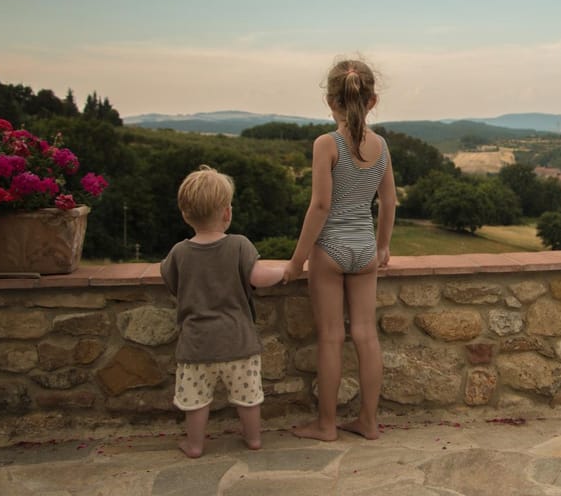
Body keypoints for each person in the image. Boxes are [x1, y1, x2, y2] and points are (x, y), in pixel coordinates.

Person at [283, 58, 396, 441]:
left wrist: (297, 260)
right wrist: (382, 247)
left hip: (329, 251)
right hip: (364, 251)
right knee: (366, 335)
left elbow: (320, 206)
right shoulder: (381, 147)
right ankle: (368, 422)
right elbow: (390, 201)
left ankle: (327, 425)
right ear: (373, 100)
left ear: (330, 101)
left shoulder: (326, 144)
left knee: (331, 337)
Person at [161, 165, 285, 458]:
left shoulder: (179, 252)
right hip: (238, 341)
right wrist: (285, 270)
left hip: (196, 344)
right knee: (248, 398)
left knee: (196, 400)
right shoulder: (240, 246)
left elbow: (171, 281)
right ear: (227, 213)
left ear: (185, 214)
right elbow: (259, 278)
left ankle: (194, 445)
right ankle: (253, 439)